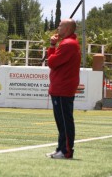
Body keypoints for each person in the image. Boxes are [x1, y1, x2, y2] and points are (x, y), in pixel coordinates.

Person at [45, 19, 81, 159]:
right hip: (61, 87)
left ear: (66, 29)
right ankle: (61, 148)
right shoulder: (68, 43)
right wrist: (54, 45)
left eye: (60, 26)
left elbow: (52, 62)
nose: (57, 28)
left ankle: (66, 151)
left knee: (64, 121)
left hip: (63, 88)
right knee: (62, 121)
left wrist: (52, 46)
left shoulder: (68, 44)